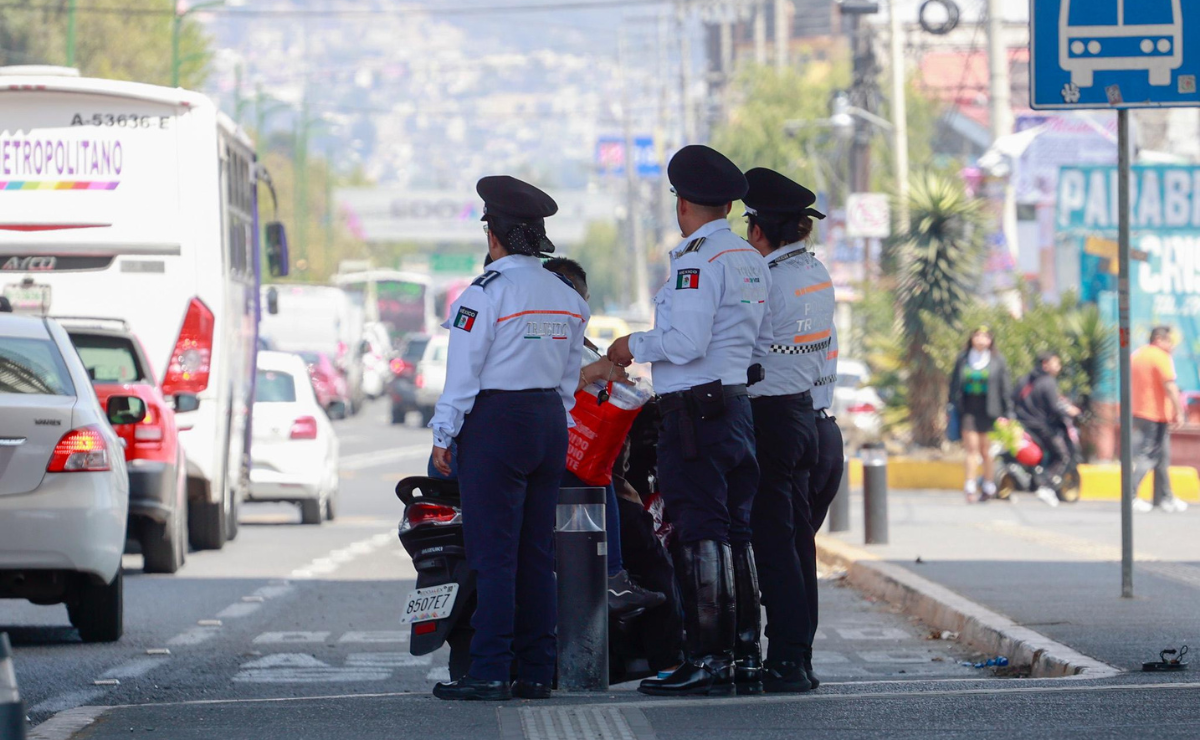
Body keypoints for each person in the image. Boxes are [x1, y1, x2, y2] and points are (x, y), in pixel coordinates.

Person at [607, 144, 771, 697]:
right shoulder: (749, 258)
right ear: (726, 203)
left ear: (683, 204)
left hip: (696, 413)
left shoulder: (698, 259)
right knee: (736, 532)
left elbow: (685, 340)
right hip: (735, 405)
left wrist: (632, 343)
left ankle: (706, 658)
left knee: (700, 532)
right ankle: (745, 653)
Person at [428, 175, 590, 701]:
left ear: (493, 236)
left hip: (497, 422)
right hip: (547, 420)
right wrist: (557, 418)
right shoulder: (564, 294)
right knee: (536, 554)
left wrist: (443, 435)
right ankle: (536, 670)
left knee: (493, 554)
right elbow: (570, 374)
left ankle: (491, 669)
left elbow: (463, 373)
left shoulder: (485, 293)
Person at [740, 167, 833, 694]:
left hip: (769, 417)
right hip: (805, 414)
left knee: (773, 543)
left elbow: (743, 349)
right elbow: (828, 349)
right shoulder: (816, 273)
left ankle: (786, 659)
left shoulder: (765, 280)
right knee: (799, 542)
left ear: (758, 231)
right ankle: (799, 654)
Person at [543, 256, 666, 615]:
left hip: (521, 452)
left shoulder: (559, 337)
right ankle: (612, 577)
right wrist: (596, 371)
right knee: (601, 487)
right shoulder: (551, 337)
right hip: (558, 459)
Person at [799, 327, 844, 689]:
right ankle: (798, 658)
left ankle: (788, 658)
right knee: (799, 552)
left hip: (799, 429)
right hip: (824, 430)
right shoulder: (817, 309)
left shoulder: (782, 305)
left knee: (788, 552)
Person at [948, 327, 1013, 503]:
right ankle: (969, 486)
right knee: (971, 449)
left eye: (985, 336)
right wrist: (951, 406)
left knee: (986, 451)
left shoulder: (997, 360)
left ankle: (988, 484)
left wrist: (1008, 414)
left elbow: (1005, 388)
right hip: (968, 409)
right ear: (971, 338)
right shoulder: (963, 359)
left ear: (991, 340)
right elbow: (954, 384)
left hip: (989, 411)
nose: (981, 339)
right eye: (977, 335)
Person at [1130, 326, 1188, 513]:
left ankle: (1165, 497)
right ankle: (1129, 496)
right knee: (1149, 456)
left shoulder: (1137, 355)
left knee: (1162, 457)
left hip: (1140, 411)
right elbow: (1170, 386)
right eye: (1169, 341)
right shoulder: (1160, 356)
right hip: (1154, 413)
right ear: (1158, 339)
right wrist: (1179, 411)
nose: (1172, 346)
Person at [1013, 351, 1080, 507]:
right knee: (1062, 455)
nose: (1059, 367)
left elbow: (1013, 399)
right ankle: (1047, 486)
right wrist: (1071, 412)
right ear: (1045, 364)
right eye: (1056, 363)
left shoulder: (1025, 380)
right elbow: (1054, 407)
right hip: (1040, 426)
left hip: (1022, 424)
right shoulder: (1048, 382)